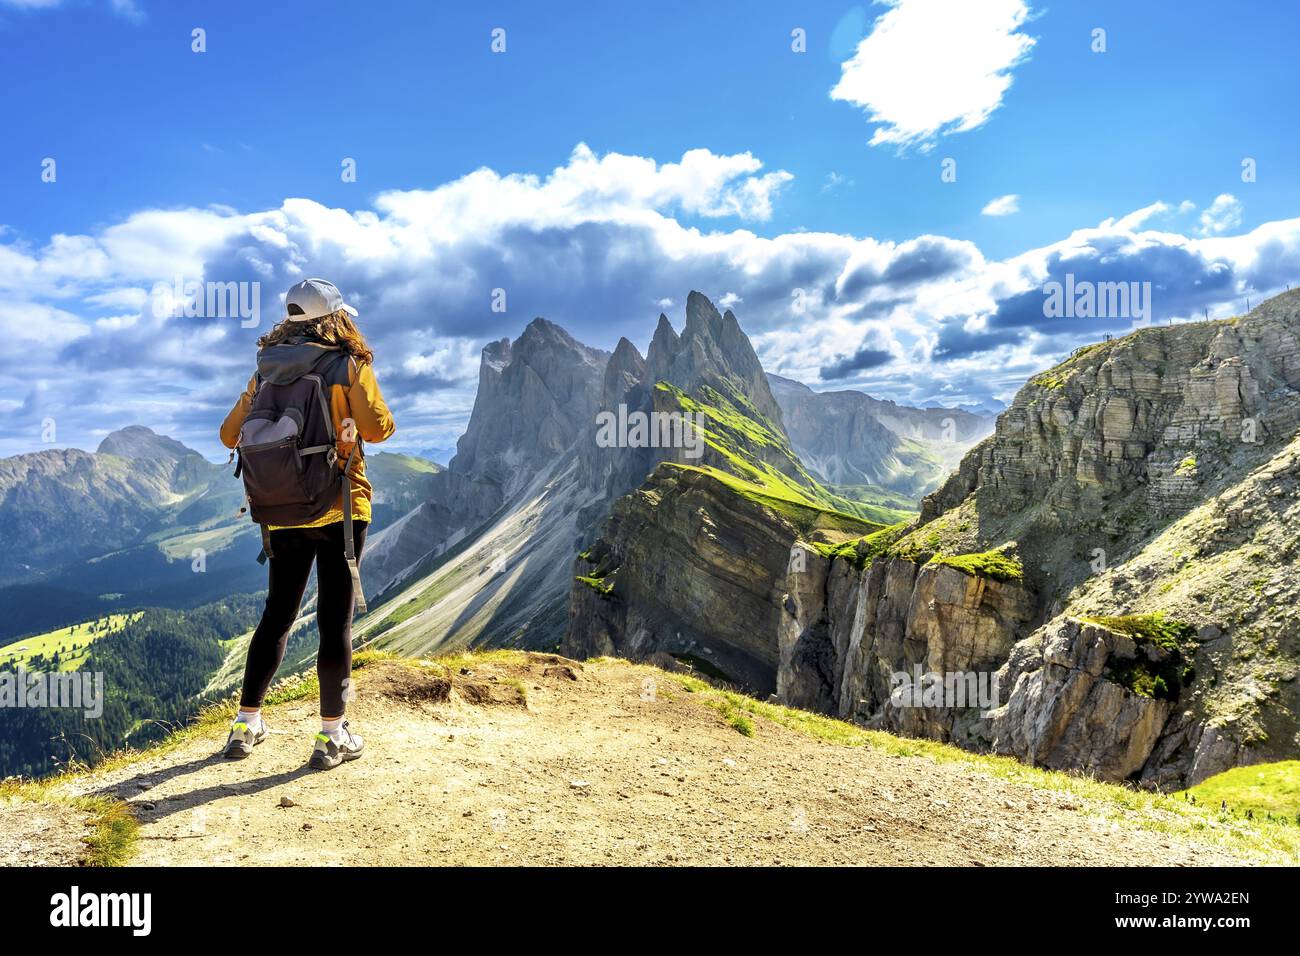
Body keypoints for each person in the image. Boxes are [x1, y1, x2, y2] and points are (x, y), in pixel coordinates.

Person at [218, 278, 395, 770]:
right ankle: (331, 737)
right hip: (340, 504)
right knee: (334, 622)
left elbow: (229, 435)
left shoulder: (265, 371)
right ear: (335, 317)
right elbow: (379, 430)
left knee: (277, 613)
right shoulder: (348, 365)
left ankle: (245, 724)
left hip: (280, 509)